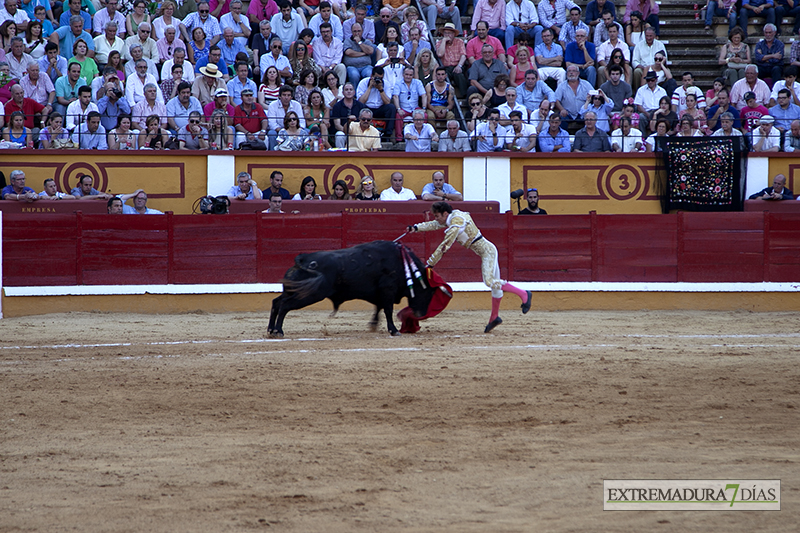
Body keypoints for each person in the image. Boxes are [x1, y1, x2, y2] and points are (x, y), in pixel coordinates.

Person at [408, 201, 532, 333]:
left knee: (489, 281)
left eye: (437, 215)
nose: (436, 218)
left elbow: (444, 246)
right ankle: (494, 318)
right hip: (488, 249)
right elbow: (434, 224)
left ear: (445, 214)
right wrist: (416, 228)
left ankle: (524, 294)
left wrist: (431, 263)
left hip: (487, 252)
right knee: (494, 285)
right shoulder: (453, 217)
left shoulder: (456, 223)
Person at [356, 65, 396, 142]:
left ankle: (387, 135)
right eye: (377, 77)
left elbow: (387, 102)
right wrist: (370, 87)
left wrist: (381, 89)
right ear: (372, 76)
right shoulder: (363, 82)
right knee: (358, 106)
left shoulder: (386, 84)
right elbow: (361, 101)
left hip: (380, 108)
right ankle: (359, 132)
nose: (378, 80)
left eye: (381, 78)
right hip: (367, 108)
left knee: (391, 107)